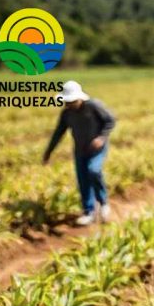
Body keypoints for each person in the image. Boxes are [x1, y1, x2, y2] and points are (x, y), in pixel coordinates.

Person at [42, 80, 116, 226]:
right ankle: (89, 211)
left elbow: (110, 120)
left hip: (96, 149)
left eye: (71, 101)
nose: (69, 104)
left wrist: (102, 137)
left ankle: (103, 203)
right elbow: (58, 133)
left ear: (79, 98)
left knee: (93, 171)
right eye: (67, 102)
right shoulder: (67, 114)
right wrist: (48, 152)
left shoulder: (94, 106)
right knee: (82, 179)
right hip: (80, 150)